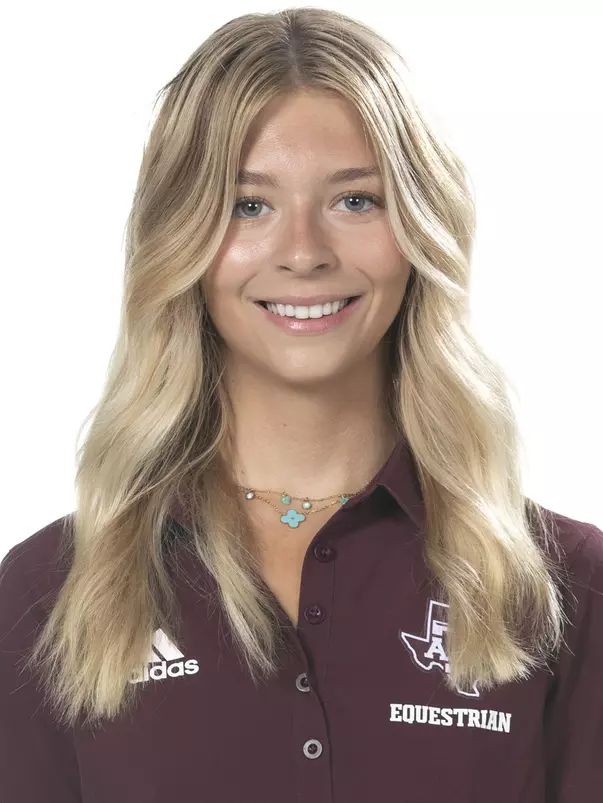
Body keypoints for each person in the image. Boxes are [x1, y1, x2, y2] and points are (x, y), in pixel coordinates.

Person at [1, 7, 602, 802]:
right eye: (248, 205)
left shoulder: (568, 590)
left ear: (420, 228)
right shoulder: (50, 590)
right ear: (178, 238)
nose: (303, 252)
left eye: (355, 201)